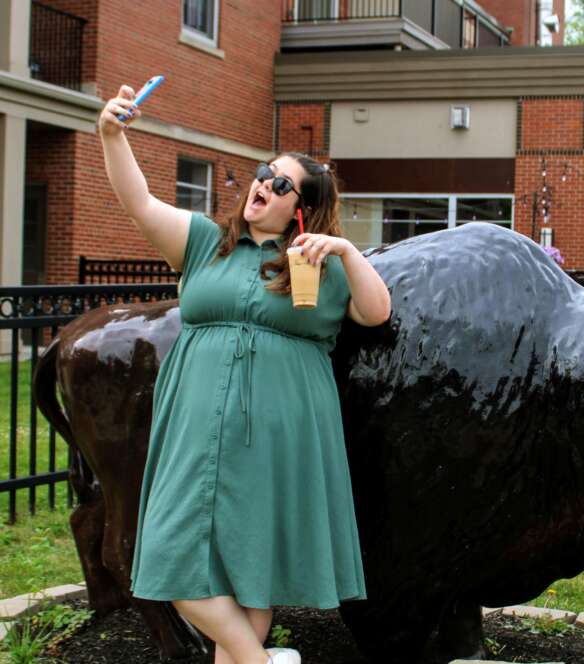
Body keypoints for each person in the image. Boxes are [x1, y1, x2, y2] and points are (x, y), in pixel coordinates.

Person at [98, 84, 391, 664]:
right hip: (196, 423)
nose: (263, 184)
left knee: (254, 575)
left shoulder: (319, 262)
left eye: (281, 184)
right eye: (264, 173)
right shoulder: (207, 242)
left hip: (281, 432)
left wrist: (347, 252)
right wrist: (112, 135)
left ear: (303, 208)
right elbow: (140, 202)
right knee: (174, 556)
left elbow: (376, 311)